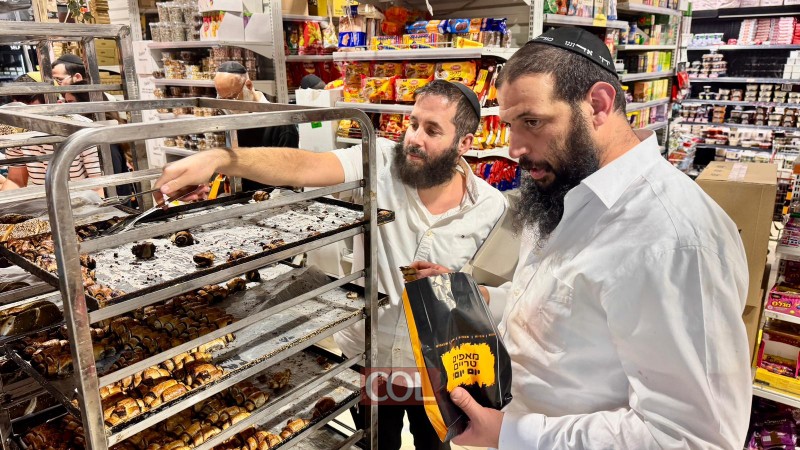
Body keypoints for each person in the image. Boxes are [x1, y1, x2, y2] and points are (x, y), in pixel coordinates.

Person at [414, 27, 751, 449]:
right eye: (510, 125)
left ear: (598, 104)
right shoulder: (566, 187)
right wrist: (479, 298)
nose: (515, 148)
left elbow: (691, 437)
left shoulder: (675, 240)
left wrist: (512, 435)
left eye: (532, 122)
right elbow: (570, 310)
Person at [153, 79, 507, 450]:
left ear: (464, 143)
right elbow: (304, 166)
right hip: (371, 358)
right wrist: (222, 159)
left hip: (435, 369)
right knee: (378, 443)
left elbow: (496, 297)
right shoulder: (379, 160)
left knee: (435, 445)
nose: (414, 138)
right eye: (413, 123)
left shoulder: (490, 207)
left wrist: (463, 289)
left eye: (432, 130)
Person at [5, 75, 104, 194]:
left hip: (83, 198)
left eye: (27, 101)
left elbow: (97, 185)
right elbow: (16, 180)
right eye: (17, 102)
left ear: (50, 100)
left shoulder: (80, 128)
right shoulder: (17, 133)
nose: (21, 108)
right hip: (44, 200)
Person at [213, 61, 299, 192]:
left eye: (231, 98)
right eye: (221, 99)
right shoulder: (231, 119)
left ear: (248, 86)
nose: (227, 106)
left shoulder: (282, 126)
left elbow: (286, 181)